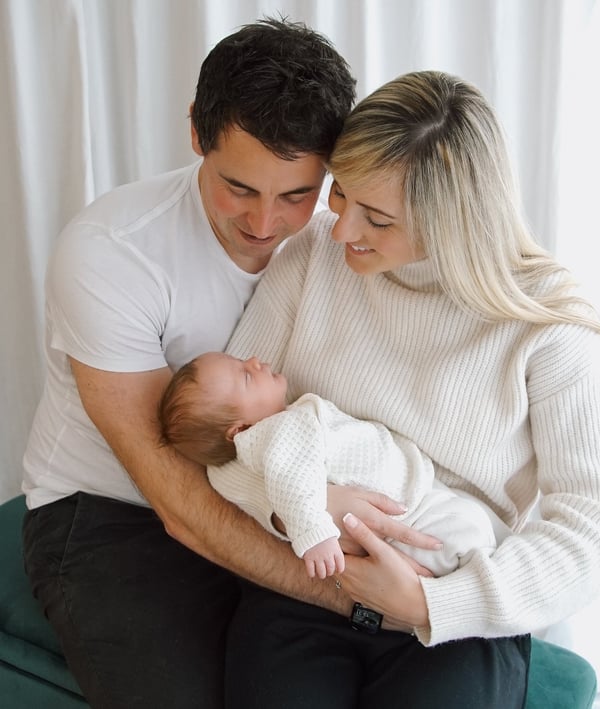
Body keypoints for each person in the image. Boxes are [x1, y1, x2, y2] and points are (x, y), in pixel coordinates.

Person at [220, 70, 600, 709]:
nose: (339, 230)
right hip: (303, 584)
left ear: (456, 220)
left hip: (456, 615)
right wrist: (302, 502)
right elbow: (221, 439)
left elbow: (587, 530)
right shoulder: (312, 255)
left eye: (378, 218)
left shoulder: (549, 324)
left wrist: (432, 602)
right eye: (342, 194)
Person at [20, 17, 371, 709]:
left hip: (276, 495)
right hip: (112, 513)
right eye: (239, 187)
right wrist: (357, 600)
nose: (265, 222)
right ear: (195, 133)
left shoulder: (343, 244)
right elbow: (170, 488)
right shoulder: (112, 251)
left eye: (297, 194)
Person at [158, 350, 500, 579]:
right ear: (241, 430)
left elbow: (247, 481)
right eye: (246, 377)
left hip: (412, 497)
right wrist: (313, 534)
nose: (254, 361)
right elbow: (294, 482)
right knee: (470, 532)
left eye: (240, 361)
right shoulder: (280, 431)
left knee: (477, 528)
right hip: (406, 513)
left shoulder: (230, 466)